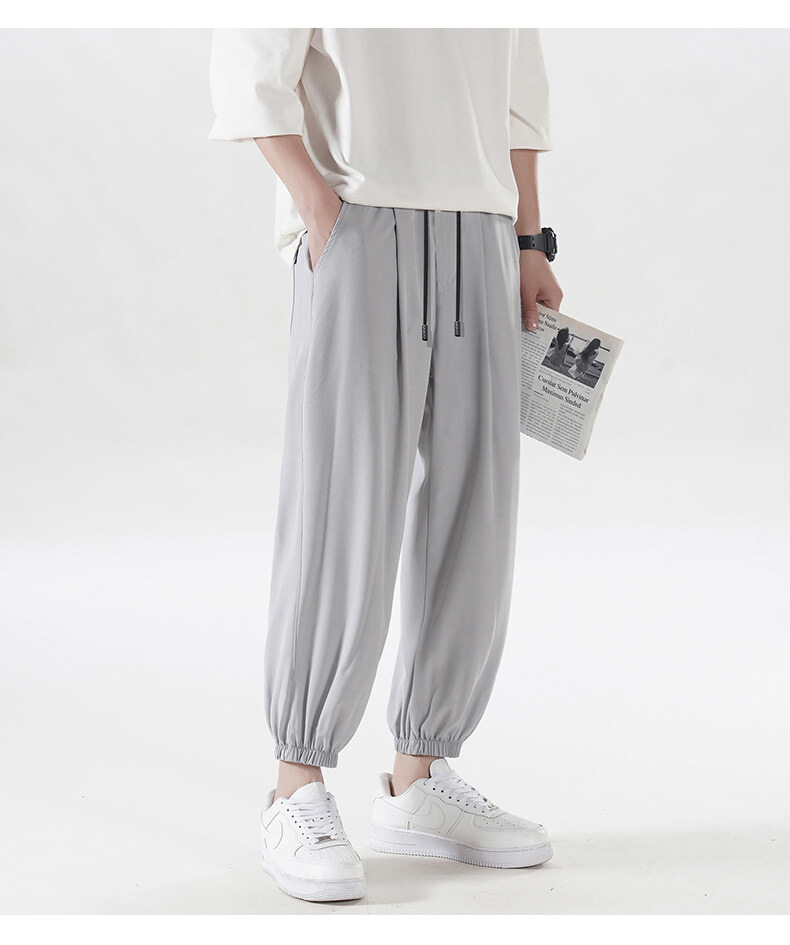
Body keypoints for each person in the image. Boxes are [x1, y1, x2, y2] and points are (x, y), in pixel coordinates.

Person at [208, 28, 564, 902]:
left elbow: (517, 98)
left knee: (477, 507)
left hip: (484, 233)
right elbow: (250, 70)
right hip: (358, 222)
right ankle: (296, 783)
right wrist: (320, 208)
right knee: (344, 506)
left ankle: (419, 776)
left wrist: (529, 241)